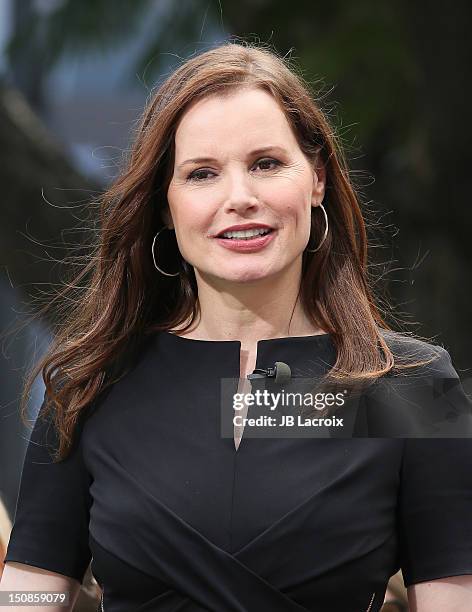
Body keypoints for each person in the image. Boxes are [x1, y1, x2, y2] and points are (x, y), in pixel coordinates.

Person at [1, 41, 472, 612]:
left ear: (316, 179)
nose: (239, 198)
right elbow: (29, 591)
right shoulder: (89, 386)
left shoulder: (416, 388)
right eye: (202, 174)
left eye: (266, 164)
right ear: (165, 206)